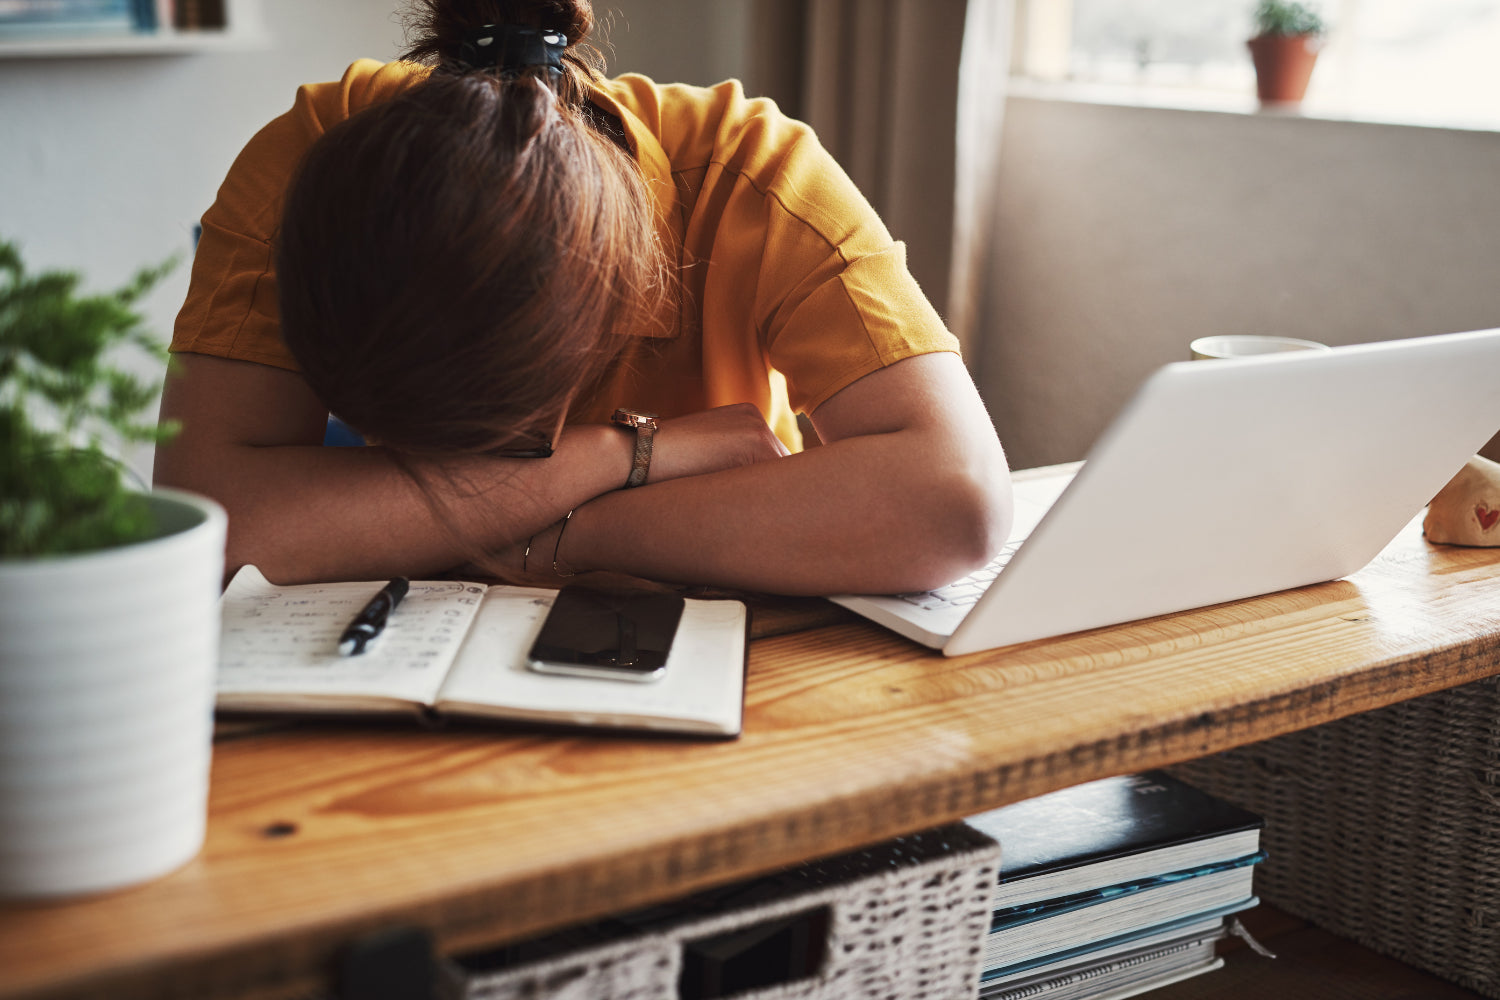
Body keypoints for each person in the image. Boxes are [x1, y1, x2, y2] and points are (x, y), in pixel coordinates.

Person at [154, 0, 1012, 595]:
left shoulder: (754, 170)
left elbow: (955, 501)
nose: (486, 477)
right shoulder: (304, 161)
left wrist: (564, 536)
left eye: (513, 445)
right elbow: (218, 526)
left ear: (621, 292)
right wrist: (623, 458)